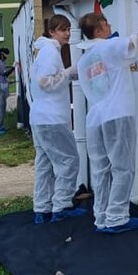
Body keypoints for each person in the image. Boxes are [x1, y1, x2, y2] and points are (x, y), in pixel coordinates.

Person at [76, 0, 138, 233]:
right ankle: (117, 217)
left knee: (101, 170)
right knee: (123, 168)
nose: (110, 26)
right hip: (118, 113)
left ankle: (101, 217)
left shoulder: (84, 59)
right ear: (98, 30)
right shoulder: (109, 47)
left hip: (95, 118)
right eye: (106, 24)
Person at [30, 15, 85, 225]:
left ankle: (42, 208)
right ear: (51, 31)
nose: (67, 33)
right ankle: (61, 206)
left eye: (69, 29)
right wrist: (69, 73)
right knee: (69, 161)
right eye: (63, 29)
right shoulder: (51, 52)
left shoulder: (43, 51)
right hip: (52, 118)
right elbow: (45, 81)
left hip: (39, 117)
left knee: (44, 163)